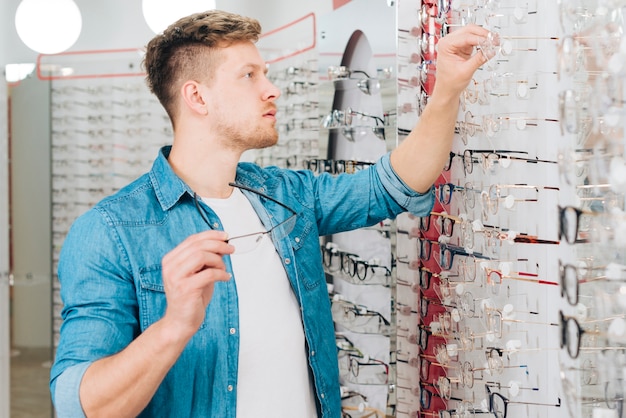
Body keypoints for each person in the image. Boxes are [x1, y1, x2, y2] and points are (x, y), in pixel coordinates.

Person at [50, 9, 494, 418]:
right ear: (197, 97)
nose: (271, 88)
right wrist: (174, 326)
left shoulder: (284, 196)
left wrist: (448, 89)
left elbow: (394, 183)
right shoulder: (111, 230)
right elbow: (80, 403)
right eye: (249, 75)